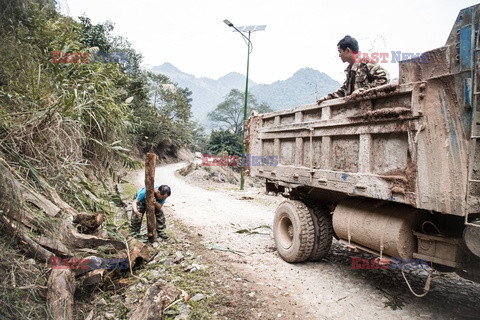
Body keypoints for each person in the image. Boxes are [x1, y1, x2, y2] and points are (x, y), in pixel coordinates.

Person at [317, 35, 389, 103]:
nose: (339, 55)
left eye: (340, 51)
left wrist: (363, 91)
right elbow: (343, 91)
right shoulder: (350, 71)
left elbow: (384, 79)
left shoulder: (367, 64)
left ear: (348, 50)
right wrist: (327, 98)